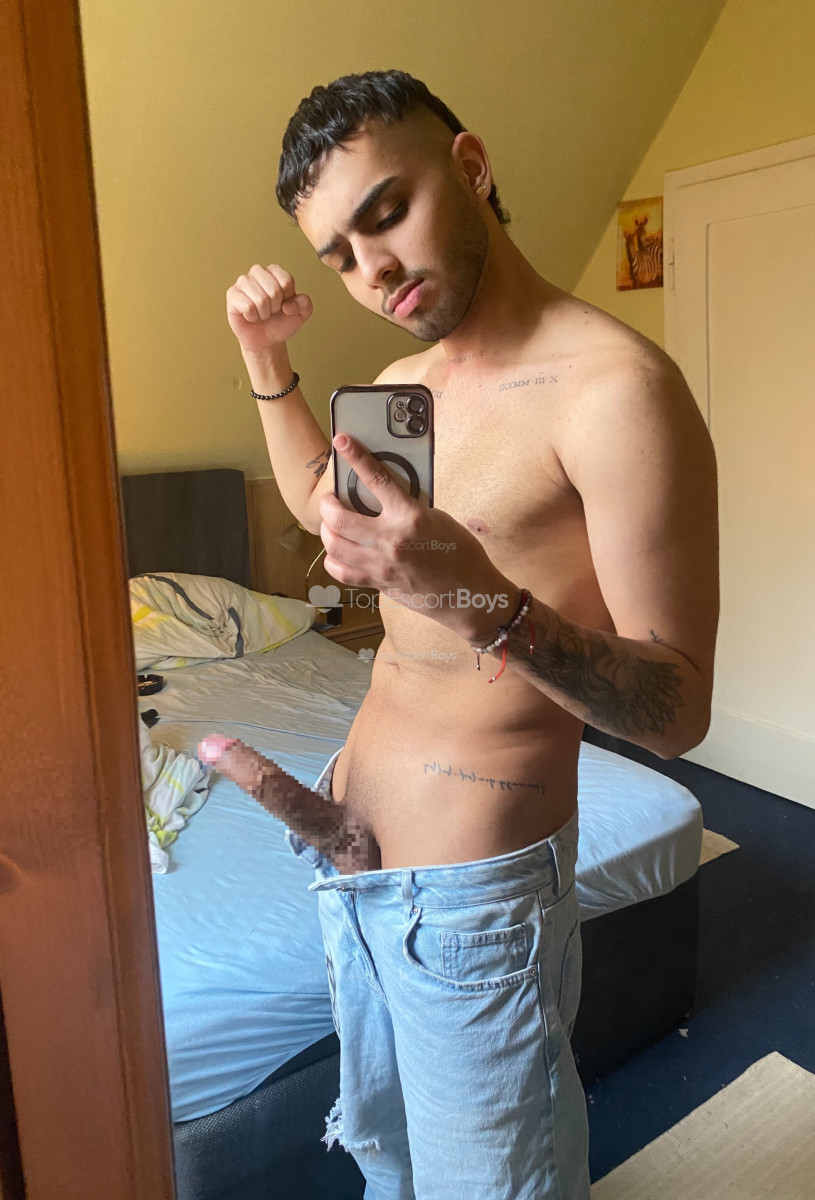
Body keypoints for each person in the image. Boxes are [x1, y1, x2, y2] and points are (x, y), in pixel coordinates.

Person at [207, 69, 719, 1200]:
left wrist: (476, 598)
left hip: (474, 908)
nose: (372, 272)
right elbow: (320, 503)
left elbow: (677, 710)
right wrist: (265, 361)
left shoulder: (613, 392)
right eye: (339, 255)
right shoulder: (403, 385)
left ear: (472, 167)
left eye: (386, 213)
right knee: (390, 1168)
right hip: (353, 863)